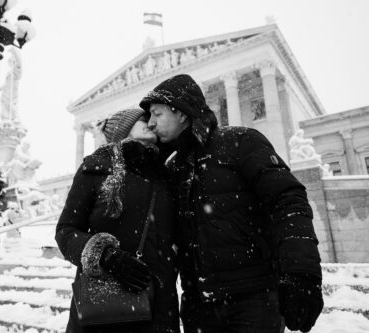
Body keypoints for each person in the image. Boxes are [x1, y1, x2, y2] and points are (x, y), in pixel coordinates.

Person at [139, 74, 323, 333]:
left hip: (252, 299)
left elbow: (288, 199)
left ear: (180, 112)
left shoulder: (241, 142)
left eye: (156, 114)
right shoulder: (171, 167)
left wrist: (302, 272)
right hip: (196, 306)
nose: (151, 123)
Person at [55, 108, 180, 333]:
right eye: (141, 119)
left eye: (151, 118)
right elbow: (66, 231)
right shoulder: (95, 168)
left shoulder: (165, 174)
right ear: (123, 129)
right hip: (107, 302)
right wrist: (107, 257)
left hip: (159, 304)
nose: (150, 122)